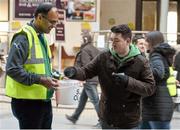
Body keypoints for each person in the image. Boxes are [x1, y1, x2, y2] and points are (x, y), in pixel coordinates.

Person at [63, 24, 155, 129]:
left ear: (128, 41)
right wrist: (74, 72)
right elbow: (86, 71)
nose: (113, 44)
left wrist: (128, 81)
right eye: (111, 40)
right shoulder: (104, 57)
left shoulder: (141, 62)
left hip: (129, 121)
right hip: (107, 118)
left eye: (116, 41)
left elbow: (149, 88)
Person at [5, 3, 59, 129]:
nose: (54, 26)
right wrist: (40, 80)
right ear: (40, 17)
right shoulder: (23, 37)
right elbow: (12, 69)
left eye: (56, 22)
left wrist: (58, 76)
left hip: (43, 100)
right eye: (52, 22)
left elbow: (42, 66)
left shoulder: (41, 37)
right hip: (27, 103)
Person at [140, 31, 176, 129]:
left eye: (146, 41)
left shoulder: (156, 55)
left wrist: (142, 70)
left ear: (152, 42)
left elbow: (158, 73)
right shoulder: (159, 55)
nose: (145, 43)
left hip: (156, 104)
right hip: (156, 102)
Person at [65, 32, 100, 126]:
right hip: (94, 78)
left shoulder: (85, 50)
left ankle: (103, 121)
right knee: (82, 99)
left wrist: (83, 77)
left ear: (85, 39)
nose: (80, 41)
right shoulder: (94, 49)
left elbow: (86, 65)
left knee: (95, 100)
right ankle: (74, 117)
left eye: (81, 39)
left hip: (89, 79)